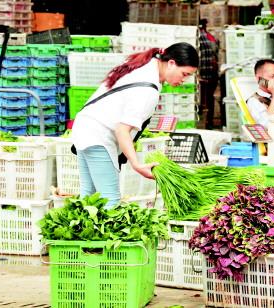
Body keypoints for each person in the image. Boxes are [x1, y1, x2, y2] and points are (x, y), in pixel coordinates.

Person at [71, 42, 199, 208]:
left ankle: (79, 233)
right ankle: (103, 233)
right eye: (184, 74)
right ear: (171, 63)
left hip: (85, 126)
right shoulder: (148, 90)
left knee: (89, 197)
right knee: (110, 201)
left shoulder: (145, 64)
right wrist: (137, 164)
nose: (184, 80)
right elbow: (122, 130)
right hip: (98, 135)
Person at [198, 18, 219, 129]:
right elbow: (215, 55)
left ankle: (203, 123)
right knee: (209, 99)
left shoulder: (198, 37)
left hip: (202, 76)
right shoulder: (210, 37)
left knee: (201, 101)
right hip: (212, 74)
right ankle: (209, 123)